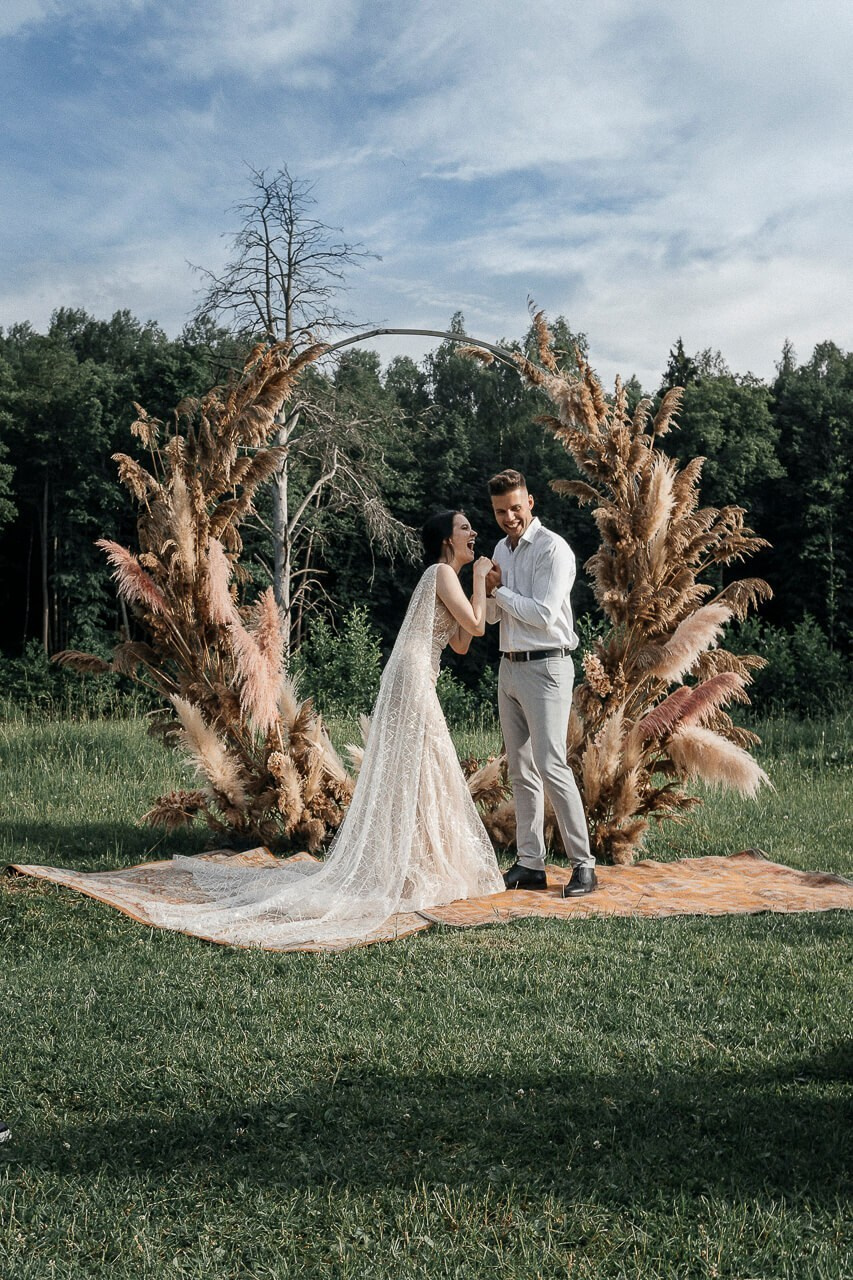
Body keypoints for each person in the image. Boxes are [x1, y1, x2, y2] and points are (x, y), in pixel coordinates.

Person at [134, 509, 505, 948]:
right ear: (446, 539)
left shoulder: (448, 579)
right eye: (465, 528)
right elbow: (476, 624)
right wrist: (479, 578)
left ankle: (417, 860)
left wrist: (482, 589)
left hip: (421, 671)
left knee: (424, 762)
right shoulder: (441, 572)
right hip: (412, 674)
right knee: (426, 757)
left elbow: (461, 642)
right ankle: (409, 864)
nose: (473, 533)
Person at [484, 469, 597, 897]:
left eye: (515, 507)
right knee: (521, 769)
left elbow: (545, 615)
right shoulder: (500, 549)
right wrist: (489, 593)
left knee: (552, 765)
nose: (509, 517)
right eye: (500, 511)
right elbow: (494, 617)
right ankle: (531, 864)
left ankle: (584, 867)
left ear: (530, 502)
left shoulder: (554, 549)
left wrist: (498, 592)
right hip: (509, 666)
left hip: (548, 666)